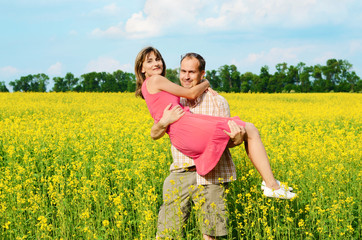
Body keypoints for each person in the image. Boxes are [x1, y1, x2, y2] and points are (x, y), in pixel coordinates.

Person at [135, 47, 296, 238]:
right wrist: (164, 121)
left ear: (201, 73)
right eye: (183, 71)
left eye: (192, 72)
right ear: (142, 68)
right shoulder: (173, 94)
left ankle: (272, 185)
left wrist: (237, 138)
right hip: (181, 171)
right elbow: (155, 132)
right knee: (167, 232)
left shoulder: (216, 101)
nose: (186, 77)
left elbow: (228, 141)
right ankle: (271, 185)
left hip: (211, 174)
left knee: (210, 234)